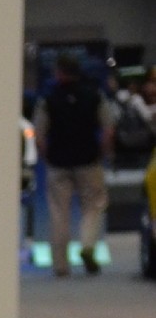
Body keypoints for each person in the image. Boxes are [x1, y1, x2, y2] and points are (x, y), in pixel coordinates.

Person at [33, 54, 114, 276]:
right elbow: (108, 129)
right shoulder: (95, 96)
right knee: (93, 206)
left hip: (58, 162)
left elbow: (39, 134)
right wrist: (103, 153)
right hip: (89, 160)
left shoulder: (48, 100)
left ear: (59, 73)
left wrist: (46, 155)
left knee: (59, 212)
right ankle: (87, 246)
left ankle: (60, 264)